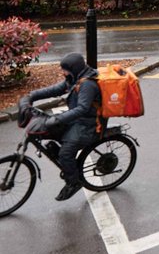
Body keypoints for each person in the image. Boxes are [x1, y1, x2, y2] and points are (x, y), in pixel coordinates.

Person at [24, 53, 101, 201]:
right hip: (76, 119)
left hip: (87, 124)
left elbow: (83, 109)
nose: (63, 72)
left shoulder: (87, 84)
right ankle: (68, 163)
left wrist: (58, 118)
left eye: (65, 69)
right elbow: (54, 90)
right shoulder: (74, 78)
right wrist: (31, 96)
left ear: (74, 69)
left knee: (65, 153)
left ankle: (73, 182)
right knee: (50, 133)